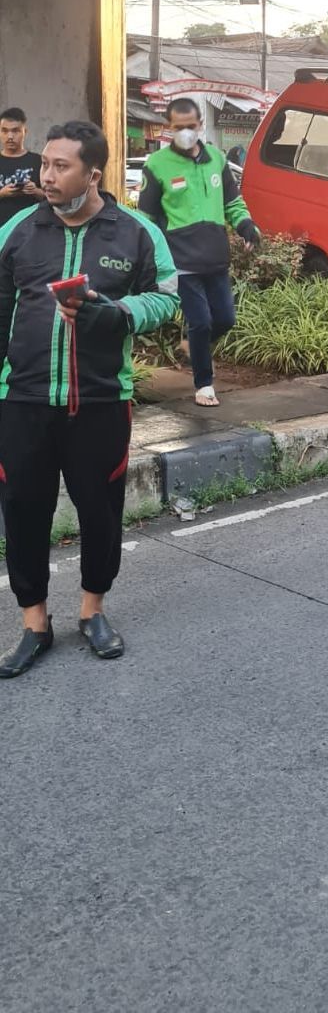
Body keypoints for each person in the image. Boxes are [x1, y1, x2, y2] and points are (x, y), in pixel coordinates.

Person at [0, 120, 179, 678]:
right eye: (44, 164)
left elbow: (168, 298)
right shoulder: (19, 230)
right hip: (23, 399)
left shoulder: (136, 232)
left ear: (93, 173)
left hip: (101, 401)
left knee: (100, 513)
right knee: (23, 512)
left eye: (60, 167)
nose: (44, 176)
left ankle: (92, 611)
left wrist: (120, 313)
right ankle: (34, 624)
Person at [138, 98, 259, 407]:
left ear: (200, 124)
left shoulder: (216, 159)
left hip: (215, 257)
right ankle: (204, 384)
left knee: (226, 319)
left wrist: (246, 227)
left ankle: (192, 343)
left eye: (191, 127)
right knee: (201, 322)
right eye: (178, 128)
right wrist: (145, 255)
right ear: (168, 128)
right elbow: (147, 217)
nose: (186, 133)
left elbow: (232, 202)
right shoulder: (157, 165)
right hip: (181, 260)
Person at [0, 105, 45, 227]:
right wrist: (2, 193)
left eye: (15, 131)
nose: (10, 136)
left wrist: (35, 191)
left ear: (25, 131)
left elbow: (54, 198)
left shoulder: (39, 161)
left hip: (30, 231)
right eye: (4, 131)